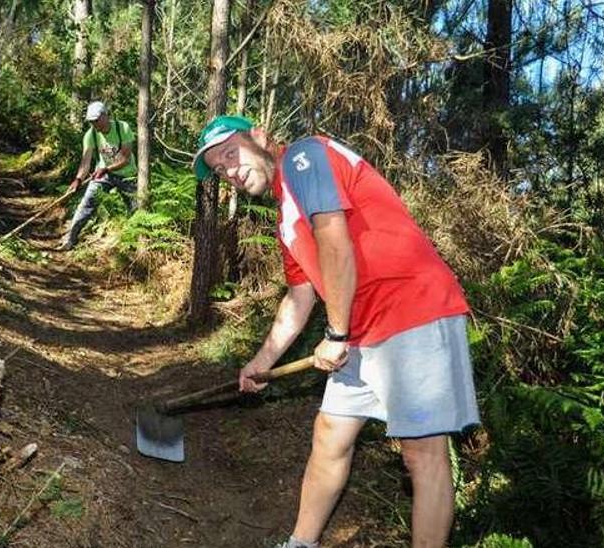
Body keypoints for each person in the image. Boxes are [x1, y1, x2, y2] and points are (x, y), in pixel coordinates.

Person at [192, 115, 480, 548]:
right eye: (218, 167)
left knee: (422, 454)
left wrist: (338, 334)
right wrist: (260, 363)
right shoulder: (286, 214)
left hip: (412, 312)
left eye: (231, 154)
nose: (229, 171)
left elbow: (334, 238)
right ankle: (300, 543)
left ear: (261, 137)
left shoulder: (305, 157)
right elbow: (298, 297)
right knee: (330, 435)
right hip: (360, 329)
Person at [59, 100, 137, 251]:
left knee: (135, 208)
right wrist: (78, 179)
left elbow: (125, 158)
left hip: (127, 175)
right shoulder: (90, 135)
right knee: (86, 204)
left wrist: (106, 169)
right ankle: (70, 239)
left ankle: (132, 245)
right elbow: (85, 161)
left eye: (96, 120)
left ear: (105, 116)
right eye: (91, 122)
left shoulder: (123, 128)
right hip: (103, 175)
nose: (95, 125)